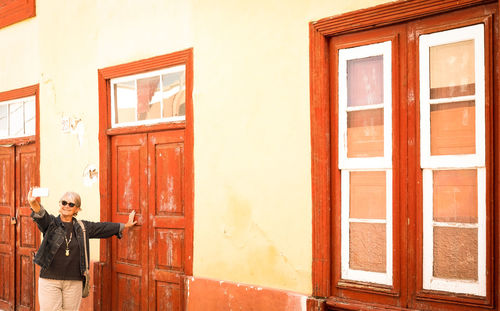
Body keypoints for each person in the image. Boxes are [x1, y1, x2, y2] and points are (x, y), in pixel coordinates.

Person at [28, 189, 137, 311]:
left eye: (71, 204)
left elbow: (102, 228)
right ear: (59, 204)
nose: (66, 206)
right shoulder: (51, 223)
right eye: (64, 202)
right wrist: (33, 203)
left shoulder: (83, 227)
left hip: (74, 282)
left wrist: (125, 225)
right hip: (49, 280)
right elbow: (41, 215)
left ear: (77, 209)